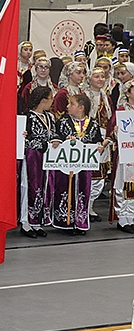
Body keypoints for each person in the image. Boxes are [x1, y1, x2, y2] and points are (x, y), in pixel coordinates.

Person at [52, 94, 104, 235]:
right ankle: (65, 221)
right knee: (65, 191)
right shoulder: (62, 122)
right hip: (66, 167)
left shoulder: (93, 124)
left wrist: (99, 147)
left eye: (72, 104)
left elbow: (98, 141)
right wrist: (61, 141)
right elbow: (55, 139)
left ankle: (80, 221)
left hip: (84, 167)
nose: (68, 106)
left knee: (82, 191)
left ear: (81, 108)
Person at [19, 86, 57, 238]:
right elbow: (25, 141)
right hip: (32, 158)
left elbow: (54, 133)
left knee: (43, 188)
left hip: (46, 158)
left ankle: (37, 221)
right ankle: (26, 222)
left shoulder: (50, 117)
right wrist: (44, 145)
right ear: (43, 100)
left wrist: (55, 141)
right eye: (50, 98)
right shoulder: (27, 117)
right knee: (29, 187)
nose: (52, 101)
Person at [85, 67, 113, 223]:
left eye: (103, 76)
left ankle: (91, 206)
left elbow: (110, 120)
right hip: (90, 140)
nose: (100, 79)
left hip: (104, 140)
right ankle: (85, 207)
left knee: (100, 177)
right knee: (90, 174)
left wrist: (108, 138)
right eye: (97, 76)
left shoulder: (106, 98)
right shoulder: (84, 96)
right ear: (89, 78)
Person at [109, 79, 134, 233]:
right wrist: (117, 131)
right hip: (126, 155)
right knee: (124, 186)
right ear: (127, 93)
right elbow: (111, 133)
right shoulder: (121, 111)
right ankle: (124, 218)